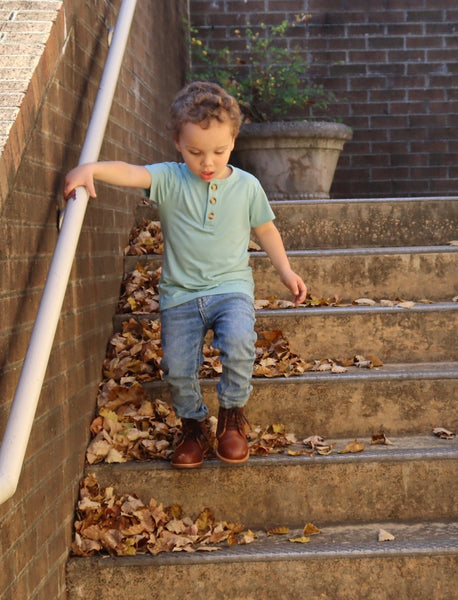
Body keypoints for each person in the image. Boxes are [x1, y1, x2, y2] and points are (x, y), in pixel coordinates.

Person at [64, 81, 307, 469]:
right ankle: (193, 426)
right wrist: (91, 168)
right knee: (177, 369)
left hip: (231, 289)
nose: (207, 162)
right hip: (180, 295)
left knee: (241, 345)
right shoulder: (171, 178)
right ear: (178, 143)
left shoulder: (247, 186)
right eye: (195, 152)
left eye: (219, 151)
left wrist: (285, 270)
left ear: (233, 140)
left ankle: (230, 418)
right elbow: (130, 171)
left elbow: (265, 230)